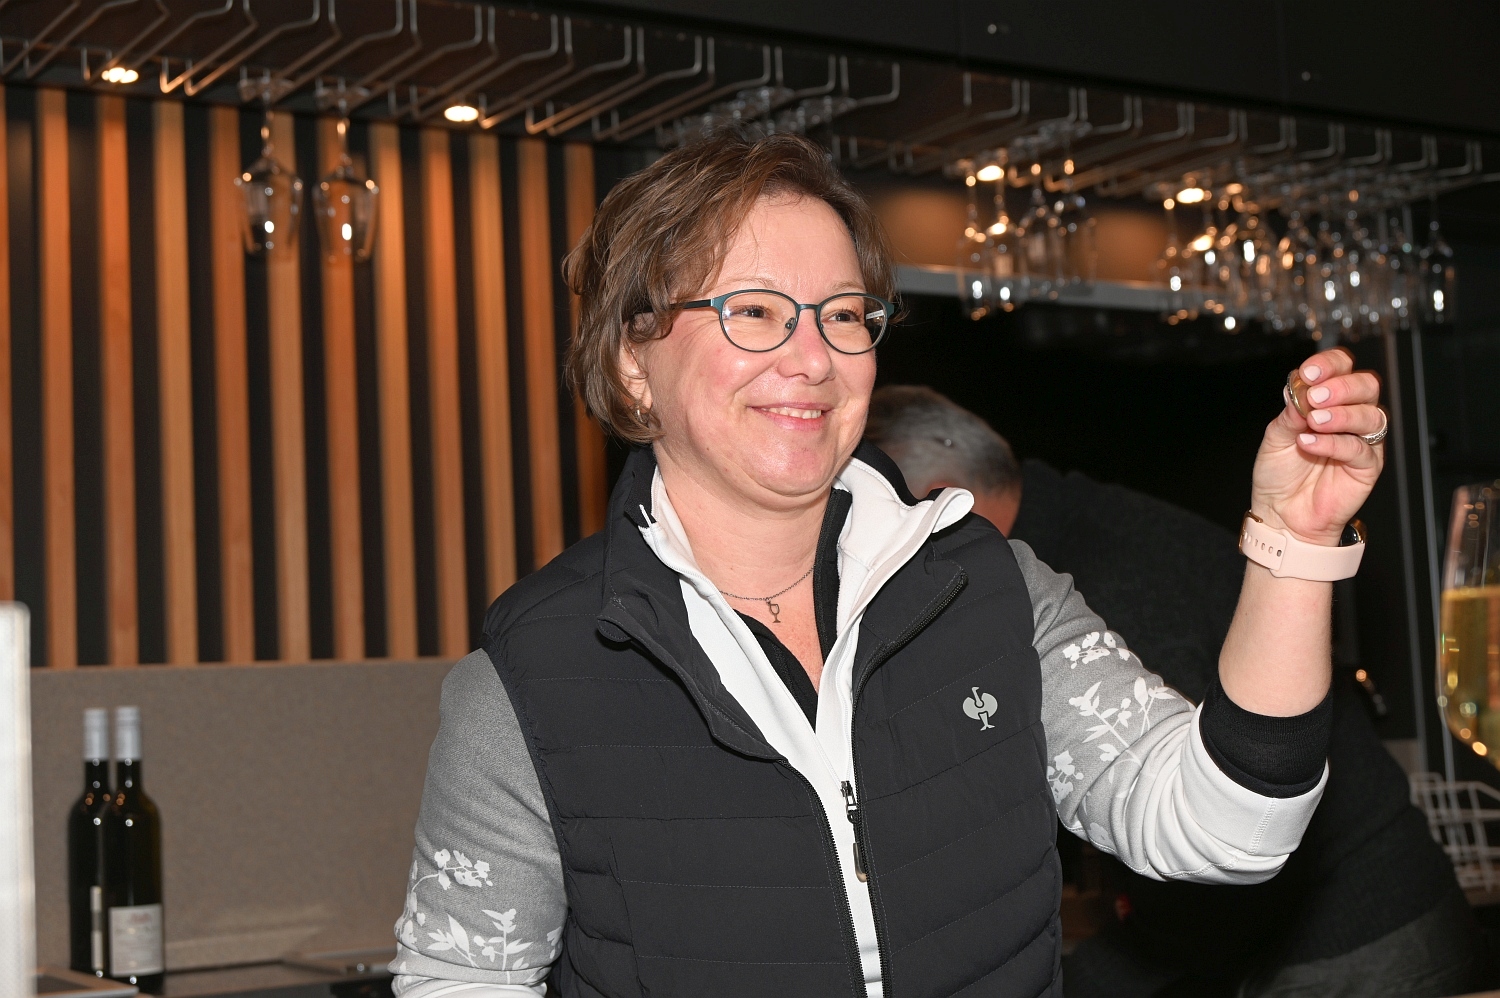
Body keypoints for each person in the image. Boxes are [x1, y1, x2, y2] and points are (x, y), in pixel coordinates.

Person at [389, 130, 1388, 998]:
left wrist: (1295, 543)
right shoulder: (532, 679)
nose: (812, 356)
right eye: (755, 311)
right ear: (631, 359)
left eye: (842, 313)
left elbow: (1232, 826)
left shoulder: (990, 591)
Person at [864, 384, 1476, 998]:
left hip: (1353, 940)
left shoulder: (1099, 575)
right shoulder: (1080, 519)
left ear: (940, 494)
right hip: (1325, 920)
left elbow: (1209, 843)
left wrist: (1088, 978)